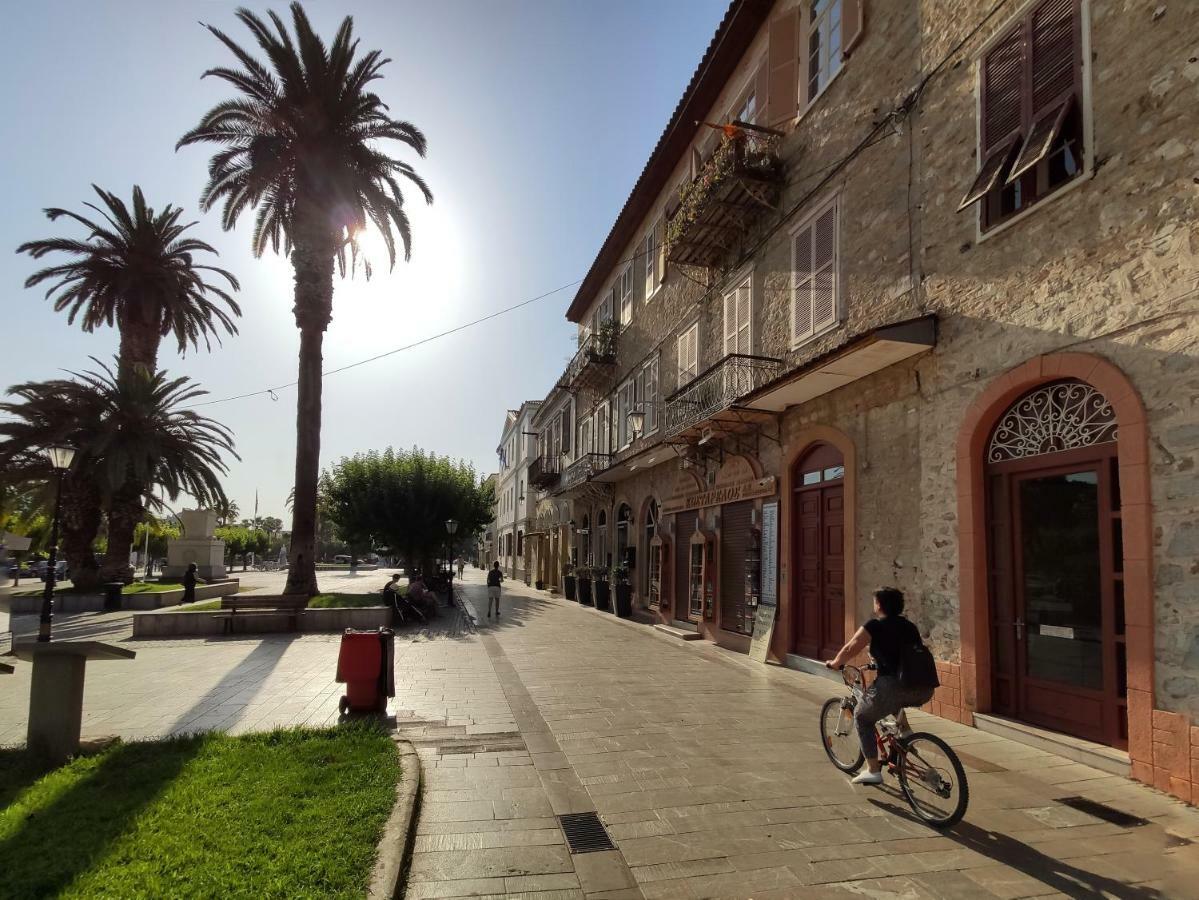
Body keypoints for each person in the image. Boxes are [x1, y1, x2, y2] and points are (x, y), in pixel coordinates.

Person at [825, 587, 935, 785]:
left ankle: (873, 770)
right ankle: (906, 735)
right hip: (923, 687)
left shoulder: (875, 625)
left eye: (875, 601)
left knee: (862, 716)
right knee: (893, 701)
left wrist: (835, 663)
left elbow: (851, 646)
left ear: (879, 605)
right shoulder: (909, 626)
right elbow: (904, 656)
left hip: (893, 685)